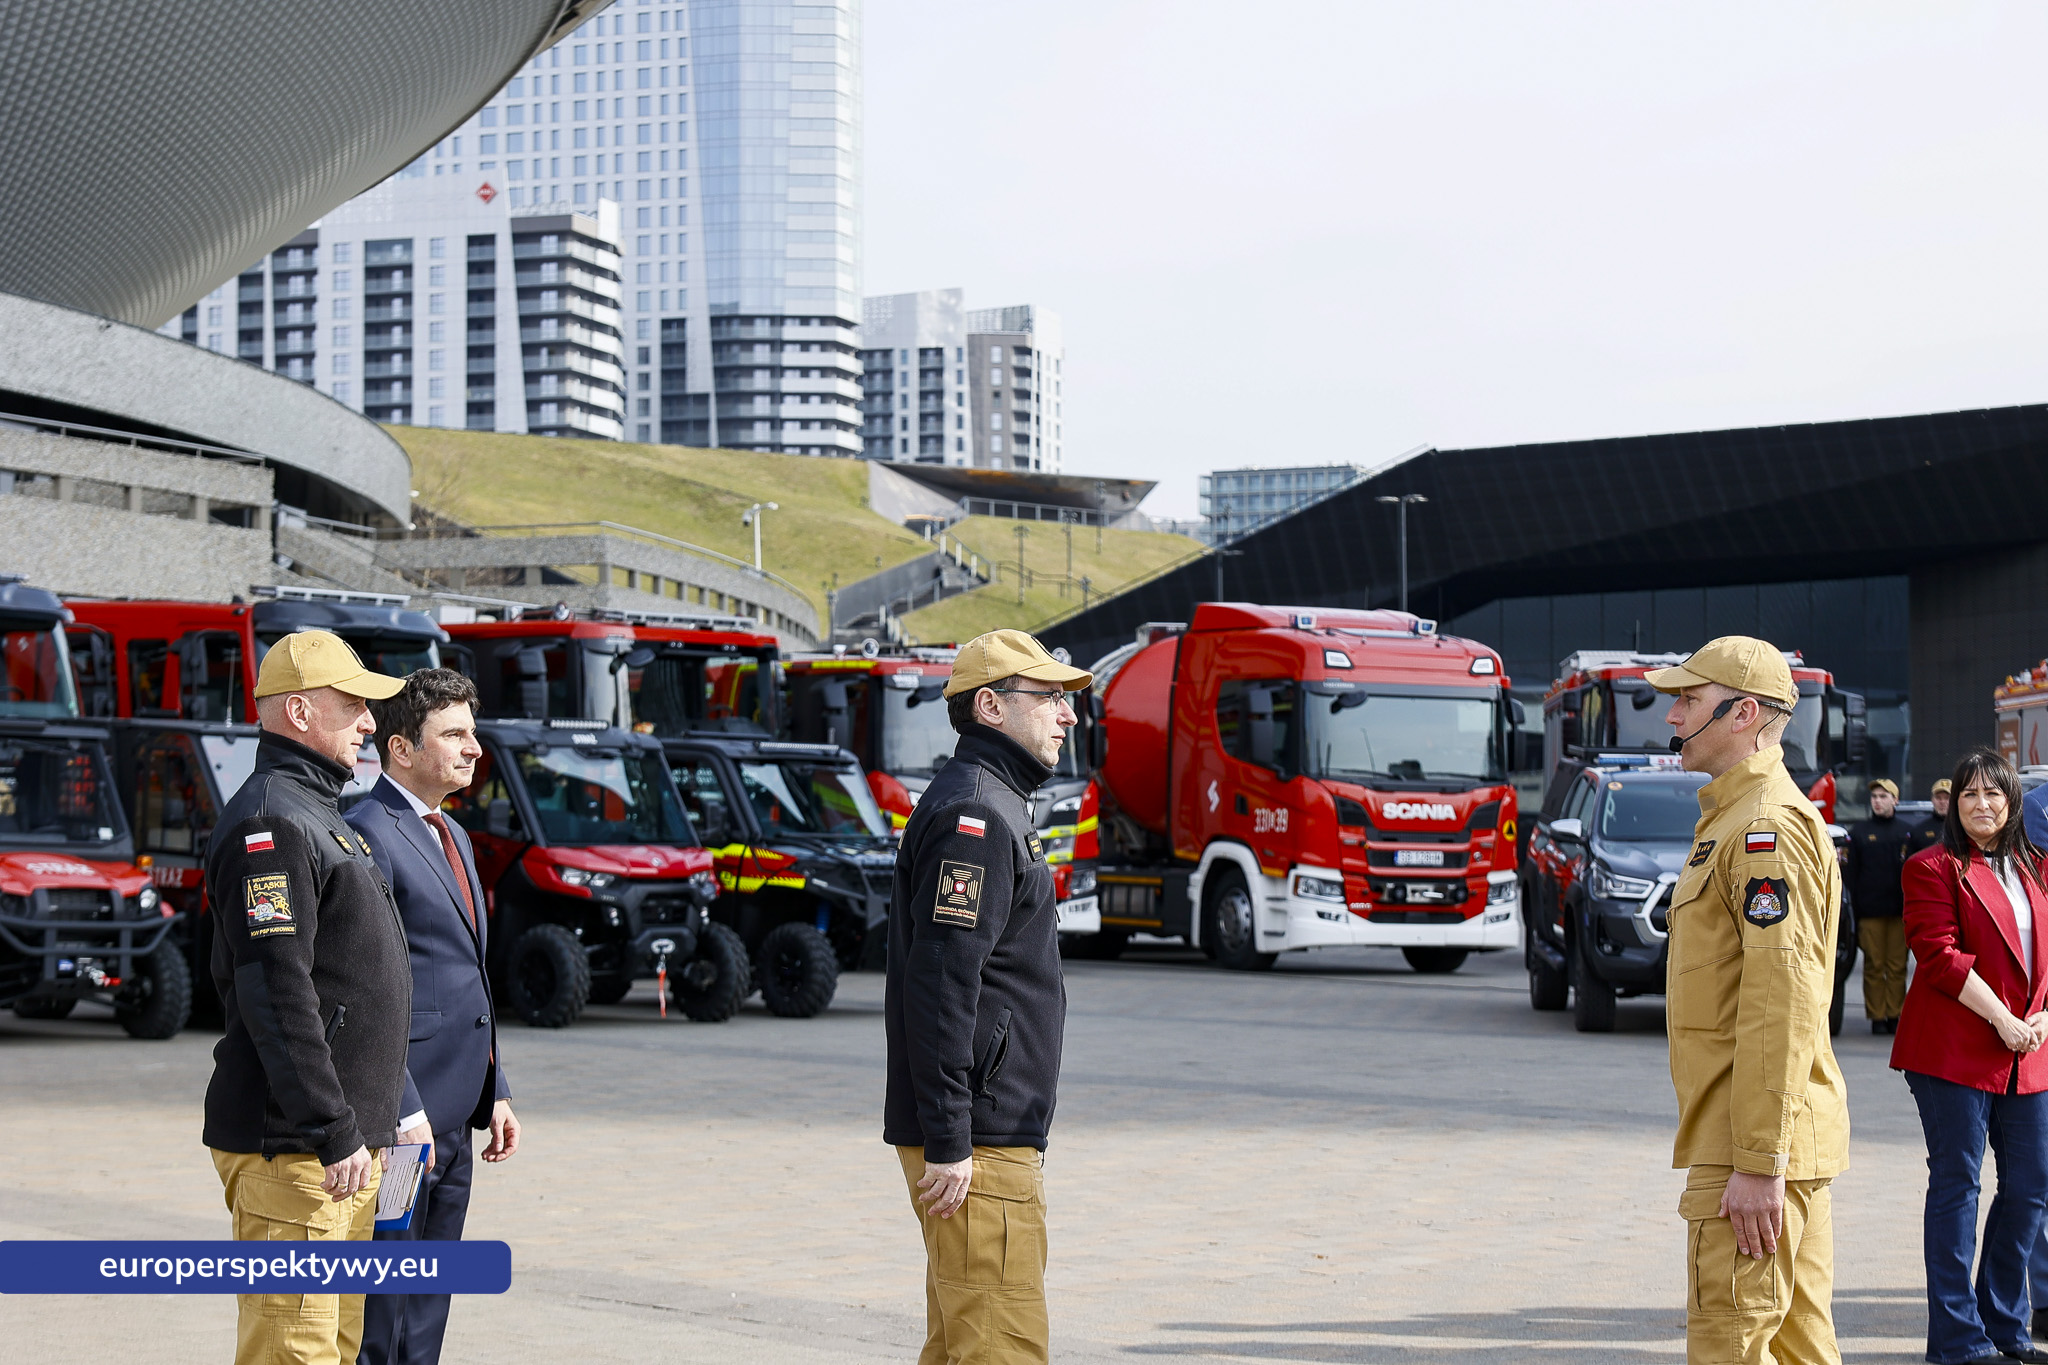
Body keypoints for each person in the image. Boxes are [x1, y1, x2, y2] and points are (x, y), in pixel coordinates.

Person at [884, 629, 1092, 1365]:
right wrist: (950, 1136)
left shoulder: (993, 803)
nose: (1068, 715)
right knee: (999, 1348)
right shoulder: (975, 816)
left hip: (982, 1136)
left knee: (961, 1346)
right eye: (1051, 698)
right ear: (991, 705)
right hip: (979, 1143)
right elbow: (941, 980)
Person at [202, 631, 410, 1365]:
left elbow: (354, 979)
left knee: (331, 1346)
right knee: (293, 1352)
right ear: (296, 709)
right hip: (301, 1152)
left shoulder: (315, 811)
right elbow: (277, 988)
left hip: (339, 1150)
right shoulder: (273, 820)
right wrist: (333, 1127)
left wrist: (386, 1115)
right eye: (352, 704)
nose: (368, 723)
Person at [1648, 636, 1849, 1365]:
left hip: (1752, 1142)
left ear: (1744, 713)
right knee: (1796, 1349)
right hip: (1763, 1136)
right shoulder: (1737, 817)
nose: (1672, 716)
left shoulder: (1762, 826)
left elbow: (1780, 999)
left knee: (1733, 1344)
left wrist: (1759, 1160)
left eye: (1689, 701)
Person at [347, 669, 520, 1365]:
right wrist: (402, 1107)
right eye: (453, 733)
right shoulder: (367, 833)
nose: (473, 748)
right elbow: (362, 987)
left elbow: (465, 975)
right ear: (400, 749)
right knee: (384, 1307)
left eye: (472, 732)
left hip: (457, 1115)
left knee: (427, 1308)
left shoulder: (455, 834)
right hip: (401, 1124)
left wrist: (495, 1084)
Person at [1893, 748, 2048, 1365]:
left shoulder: (2035, 866)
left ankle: (2005, 1324)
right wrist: (2006, 1020)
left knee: (2031, 1187)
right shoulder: (1932, 866)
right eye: (1968, 795)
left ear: (2013, 802)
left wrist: (2037, 1020)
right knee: (1958, 1183)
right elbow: (1939, 956)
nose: (1981, 805)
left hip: (2026, 1050)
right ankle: (1957, 1338)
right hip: (1953, 1049)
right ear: (1954, 804)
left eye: (1993, 794)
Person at [1846, 778, 1912, 1034]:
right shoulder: (1859, 832)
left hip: (1898, 912)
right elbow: (1850, 873)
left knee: (1896, 966)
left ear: (1895, 800)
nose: (1878, 801)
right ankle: (1876, 1016)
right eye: (1874, 797)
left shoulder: (1906, 832)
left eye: (1884, 796)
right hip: (1870, 912)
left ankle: (1895, 1014)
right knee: (1873, 966)